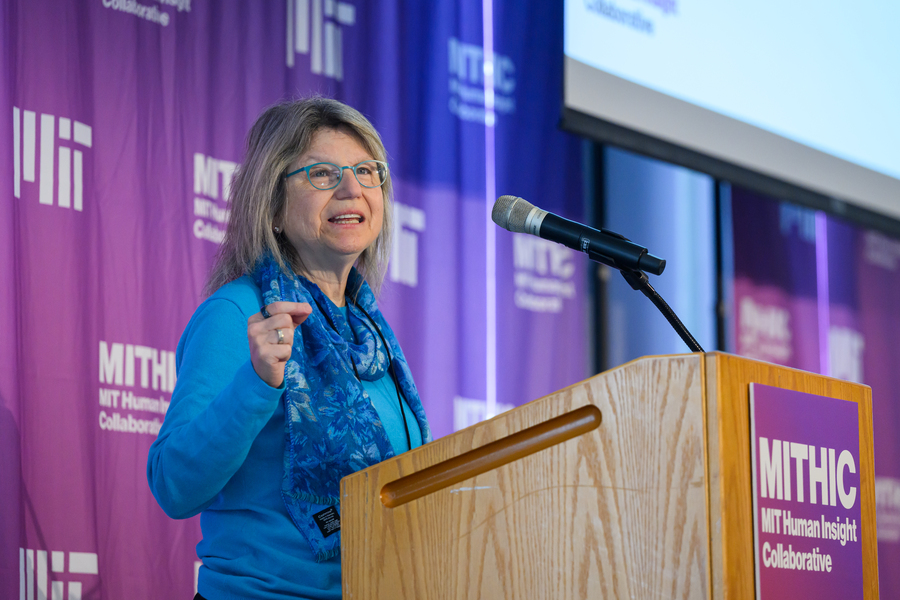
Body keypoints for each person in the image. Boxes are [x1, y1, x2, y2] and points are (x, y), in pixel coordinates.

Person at [147, 97, 431, 600]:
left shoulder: (370, 334)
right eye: (323, 174)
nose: (352, 189)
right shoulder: (238, 314)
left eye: (366, 171)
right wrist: (257, 383)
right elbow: (174, 485)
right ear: (273, 205)